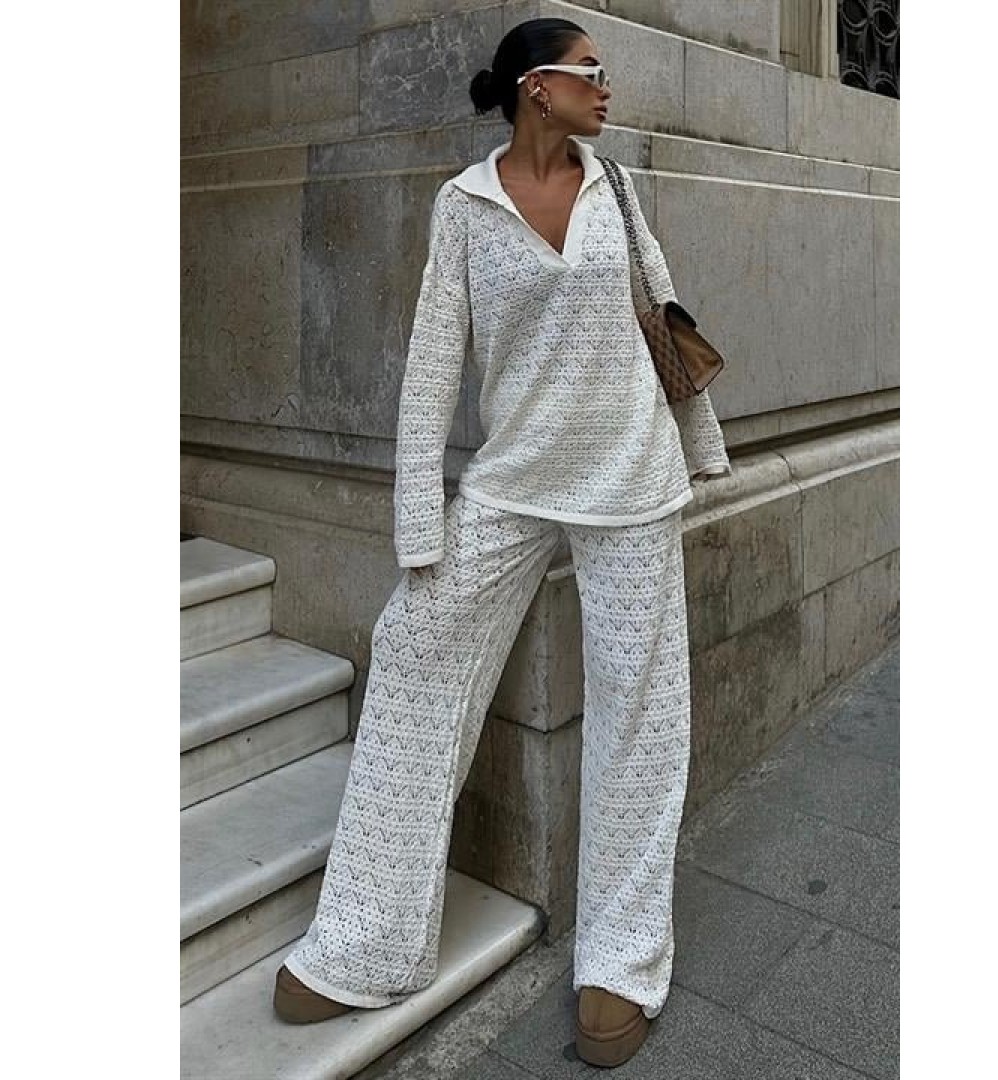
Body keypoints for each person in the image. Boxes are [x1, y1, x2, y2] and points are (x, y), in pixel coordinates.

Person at [272, 16, 732, 1068]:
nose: (606, 88)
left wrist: (698, 448)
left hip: (631, 478)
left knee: (641, 717)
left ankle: (619, 962)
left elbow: (662, 312)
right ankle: (369, 938)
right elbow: (434, 361)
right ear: (537, 87)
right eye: (590, 73)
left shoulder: (616, 189)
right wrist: (418, 517)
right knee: (413, 653)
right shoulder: (467, 204)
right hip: (513, 479)